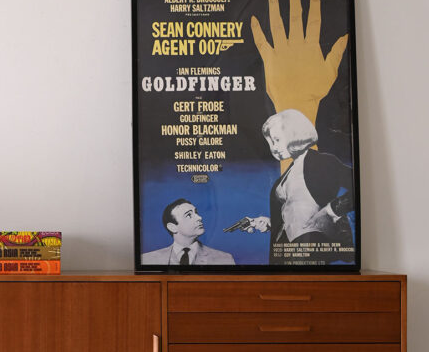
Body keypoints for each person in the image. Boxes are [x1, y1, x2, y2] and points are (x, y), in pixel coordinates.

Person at [242, 109, 354, 260]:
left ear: (295, 134)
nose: (274, 147)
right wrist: (271, 223)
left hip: (312, 248)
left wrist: (332, 211)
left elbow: (358, 187)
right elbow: (296, 212)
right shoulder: (283, 178)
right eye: (270, 142)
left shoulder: (323, 162)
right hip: (287, 253)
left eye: (277, 139)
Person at [142, 198, 235, 266]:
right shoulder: (147, 259)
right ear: (172, 227)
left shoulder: (224, 259)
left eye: (196, 212)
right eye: (189, 215)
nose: (199, 217)